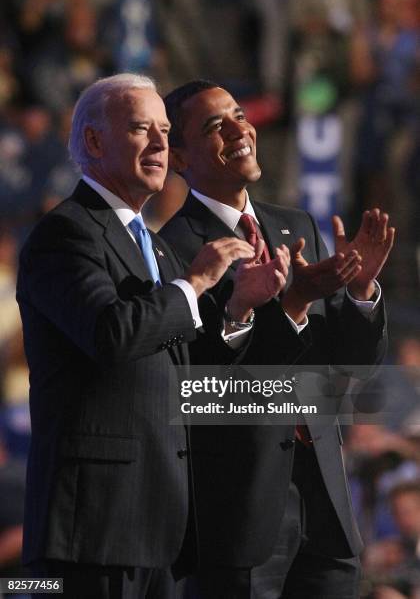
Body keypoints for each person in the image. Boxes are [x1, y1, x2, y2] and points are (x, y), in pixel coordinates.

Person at [16, 73, 290, 599]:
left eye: (166, 130)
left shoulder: (155, 247)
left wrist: (237, 308)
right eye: (143, 129)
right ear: (95, 142)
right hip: (93, 530)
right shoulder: (65, 233)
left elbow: (184, 371)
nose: (162, 144)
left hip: (162, 529)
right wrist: (196, 284)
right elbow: (110, 333)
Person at [159, 79, 395, 599]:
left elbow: (352, 362)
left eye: (239, 114)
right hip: (242, 514)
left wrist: (360, 292)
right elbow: (197, 390)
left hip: (328, 503)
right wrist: (282, 307)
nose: (239, 129)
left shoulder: (295, 224)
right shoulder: (172, 251)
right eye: (213, 126)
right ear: (178, 156)